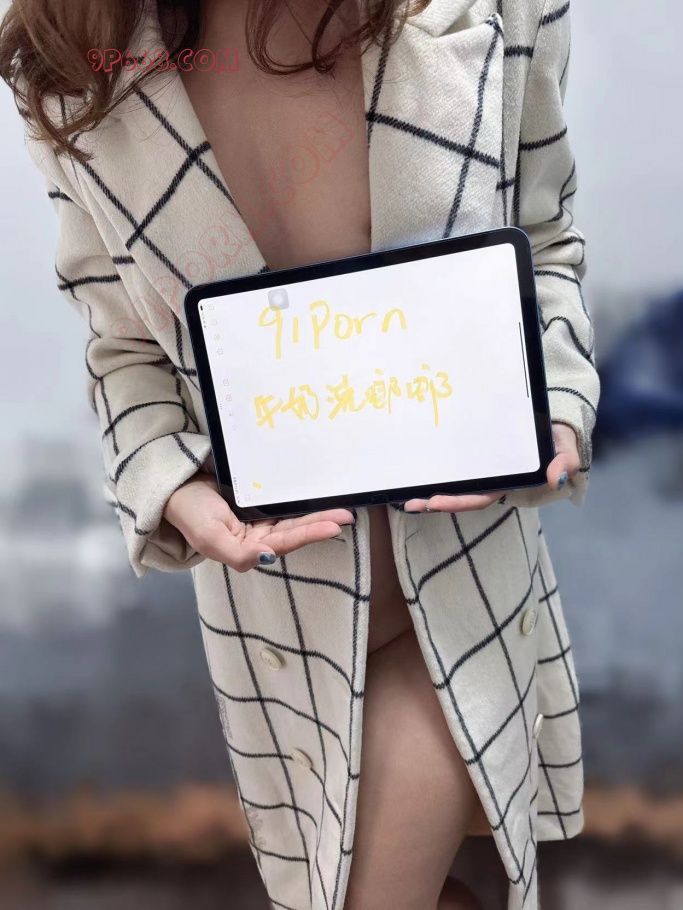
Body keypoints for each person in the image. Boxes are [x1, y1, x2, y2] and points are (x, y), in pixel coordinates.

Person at [0, 0, 600, 907]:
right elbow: (122, 343)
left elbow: (544, 240)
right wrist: (173, 487)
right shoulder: (74, 51)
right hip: (281, 632)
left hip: (465, 598)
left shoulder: (496, 8)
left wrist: (552, 404)